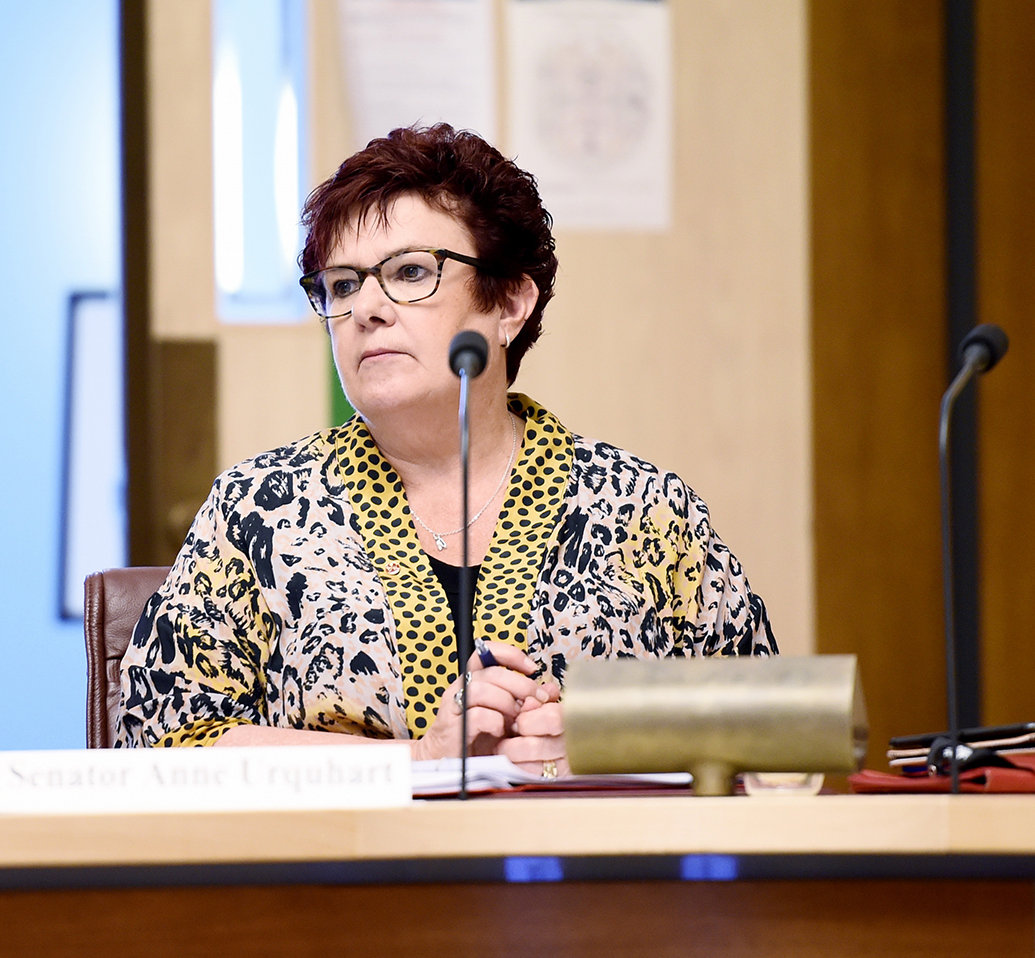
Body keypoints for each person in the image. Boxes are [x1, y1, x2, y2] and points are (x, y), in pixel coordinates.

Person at [116, 124, 776, 777]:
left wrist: (617, 748)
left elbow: (772, 726)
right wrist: (419, 759)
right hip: (343, 879)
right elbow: (157, 743)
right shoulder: (258, 510)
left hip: (596, 877)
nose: (366, 308)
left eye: (409, 272)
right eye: (342, 285)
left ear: (510, 302)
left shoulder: (646, 508)